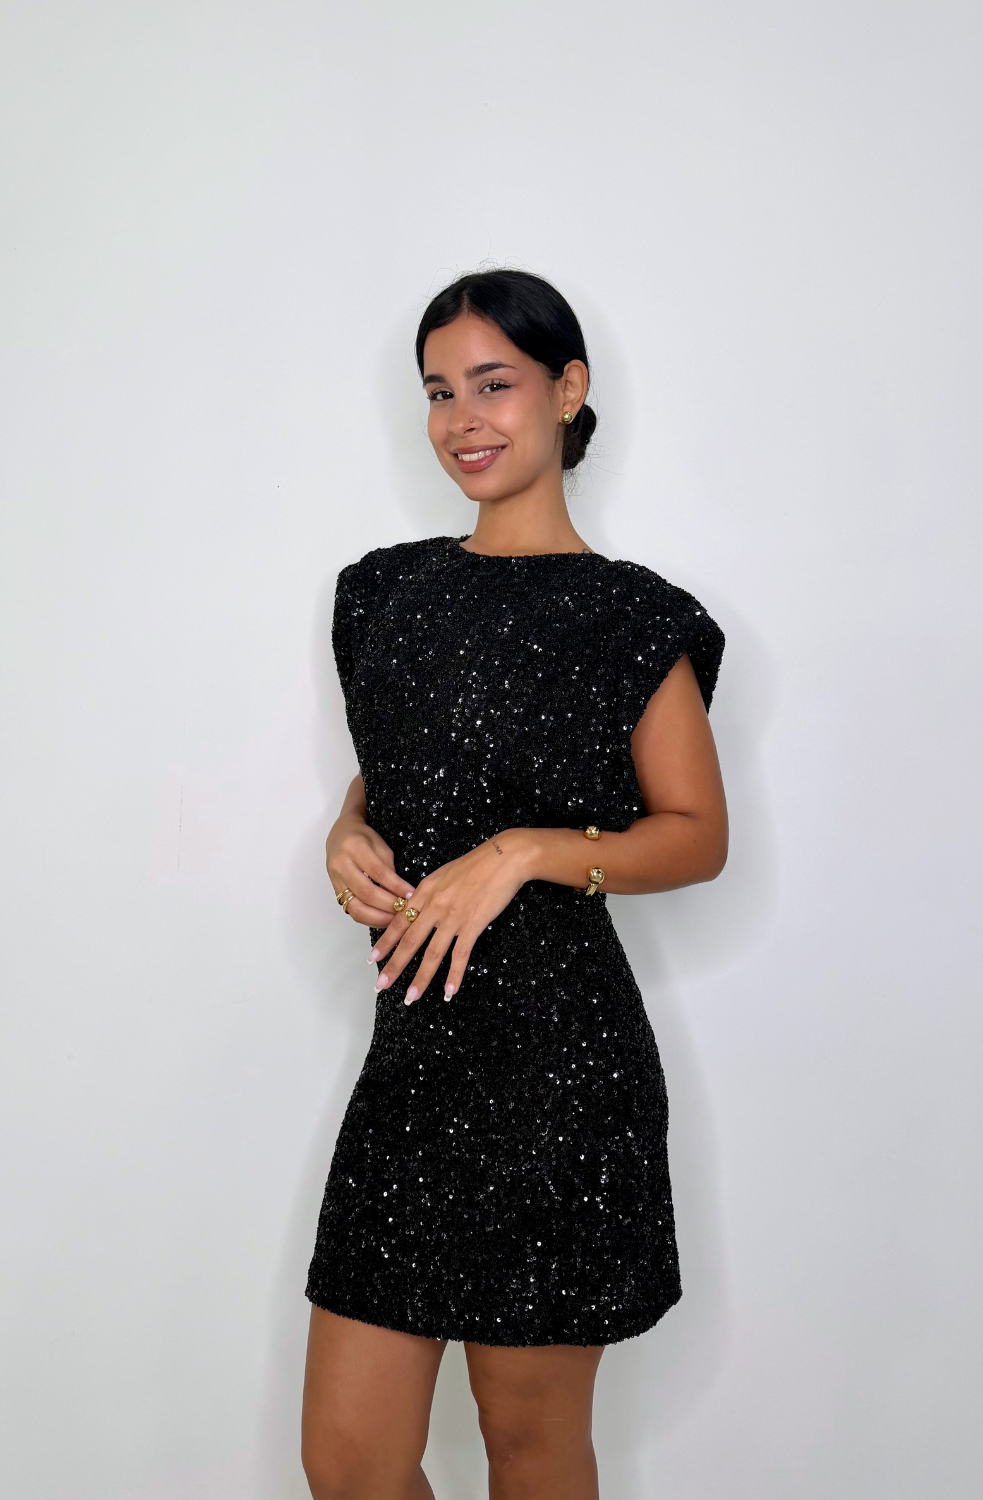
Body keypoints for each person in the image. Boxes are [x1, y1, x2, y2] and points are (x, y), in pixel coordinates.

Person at [301, 269, 728, 1500]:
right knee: (348, 1462)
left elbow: (696, 834)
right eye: (439, 392)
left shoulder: (632, 616)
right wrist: (345, 828)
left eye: (493, 384)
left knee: (530, 1451)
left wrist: (531, 849)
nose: (462, 419)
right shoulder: (382, 592)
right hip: (413, 1061)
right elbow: (407, 768)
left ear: (566, 390)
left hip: (560, 1071)